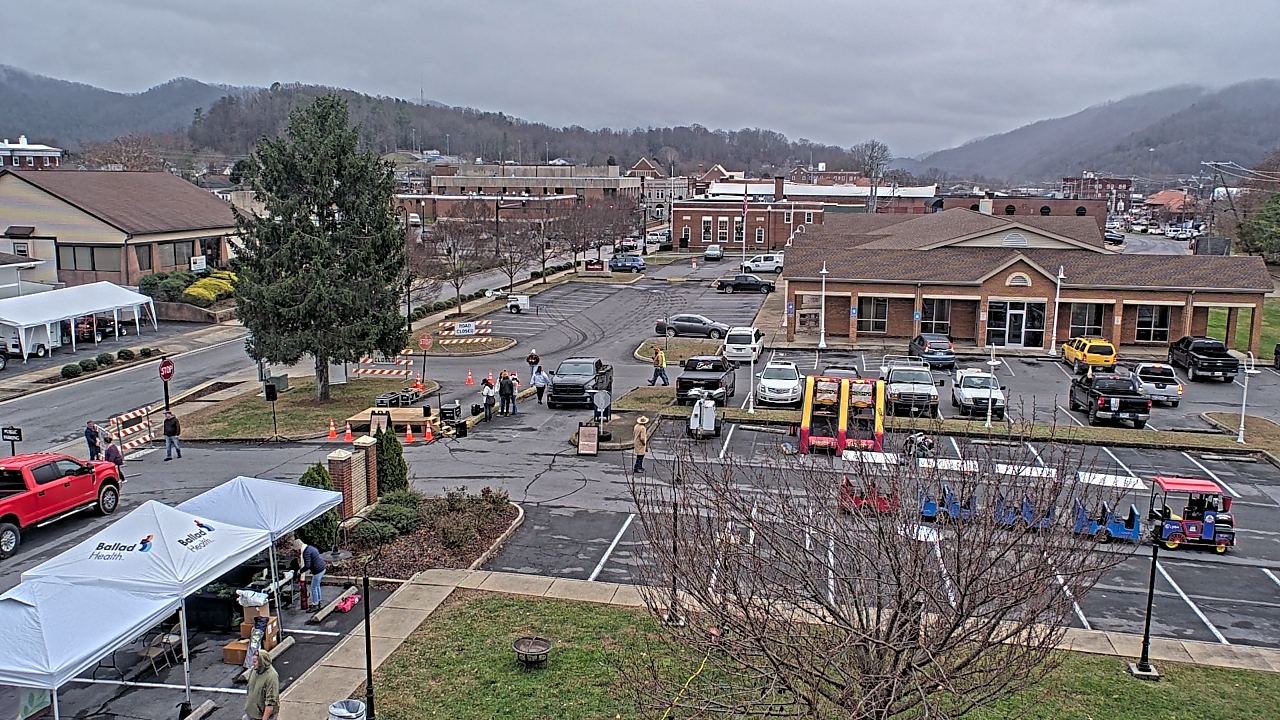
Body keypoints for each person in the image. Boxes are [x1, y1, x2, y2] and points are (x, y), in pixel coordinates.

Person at [244, 648, 279, 720]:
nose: (253, 663)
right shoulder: (254, 671)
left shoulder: (271, 677)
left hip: (263, 716)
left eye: (255, 661)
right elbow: (249, 688)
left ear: (261, 662)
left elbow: (270, 703)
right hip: (252, 713)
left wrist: (264, 718)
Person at [293, 538, 327, 608]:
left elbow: (307, 565)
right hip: (322, 567)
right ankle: (319, 600)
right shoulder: (310, 548)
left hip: (318, 570)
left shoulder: (306, 552)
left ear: (299, 548)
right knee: (317, 585)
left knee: (313, 587)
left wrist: (300, 571)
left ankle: (315, 604)